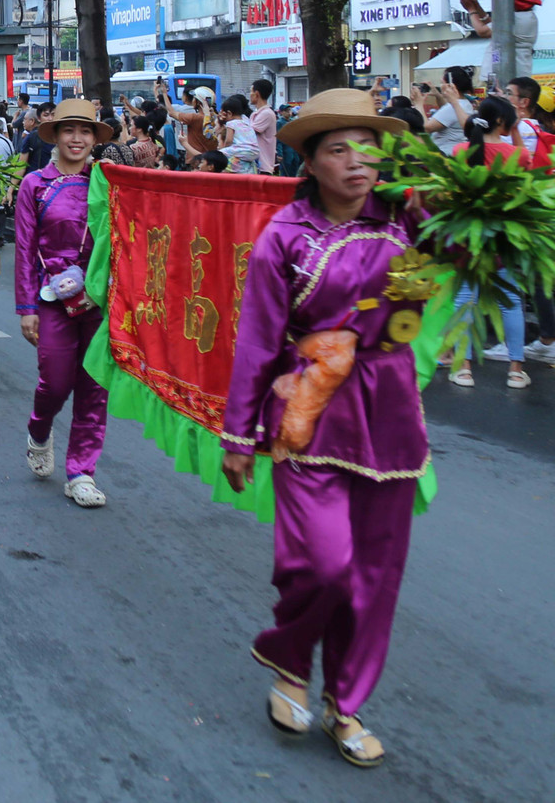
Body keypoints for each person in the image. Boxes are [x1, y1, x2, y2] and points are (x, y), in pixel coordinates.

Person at [220, 88, 429, 768]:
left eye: (367, 148)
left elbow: (440, 279)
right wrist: (238, 434)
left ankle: (347, 702)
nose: (357, 162)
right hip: (308, 411)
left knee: (376, 574)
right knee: (325, 564)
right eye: (338, 149)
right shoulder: (284, 237)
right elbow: (258, 341)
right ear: (309, 163)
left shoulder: (407, 218)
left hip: (389, 411)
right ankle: (289, 660)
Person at [15, 99, 117, 507]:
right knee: (55, 382)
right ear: (55, 136)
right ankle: (39, 430)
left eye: (85, 131)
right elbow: (24, 249)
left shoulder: (108, 181)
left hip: (100, 300)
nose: (77, 139)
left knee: (94, 388)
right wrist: (26, 308)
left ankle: (81, 473)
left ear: (95, 138)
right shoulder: (34, 184)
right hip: (52, 297)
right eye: (69, 130)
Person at [445, 97, 532, 389]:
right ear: (501, 121)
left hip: (468, 236)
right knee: (511, 303)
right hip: (504, 237)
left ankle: (464, 369)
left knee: (464, 301)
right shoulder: (516, 154)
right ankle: (516, 371)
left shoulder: (461, 150)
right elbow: (528, 169)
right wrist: (516, 132)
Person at [420, 68, 471, 151]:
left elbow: (427, 128)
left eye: (442, 82)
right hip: (456, 150)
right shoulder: (465, 103)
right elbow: (447, 115)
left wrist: (419, 104)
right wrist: (438, 95)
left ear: (450, 85)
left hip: (445, 152)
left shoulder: (452, 107)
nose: (441, 86)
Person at [219, 94, 261, 174]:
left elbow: (229, 141)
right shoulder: (246, 120)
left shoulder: (231, 123)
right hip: (255, 151)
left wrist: (225, 149)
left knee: (220, 153)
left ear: (229, 113)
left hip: (242, 150)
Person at [249, 79, 279, 173]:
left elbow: (249, 133)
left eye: (251, 91)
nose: (250, 95)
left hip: (263, 166)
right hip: (256, 165)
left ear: (257, 94)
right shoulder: (257, 113)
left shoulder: (266, 113)